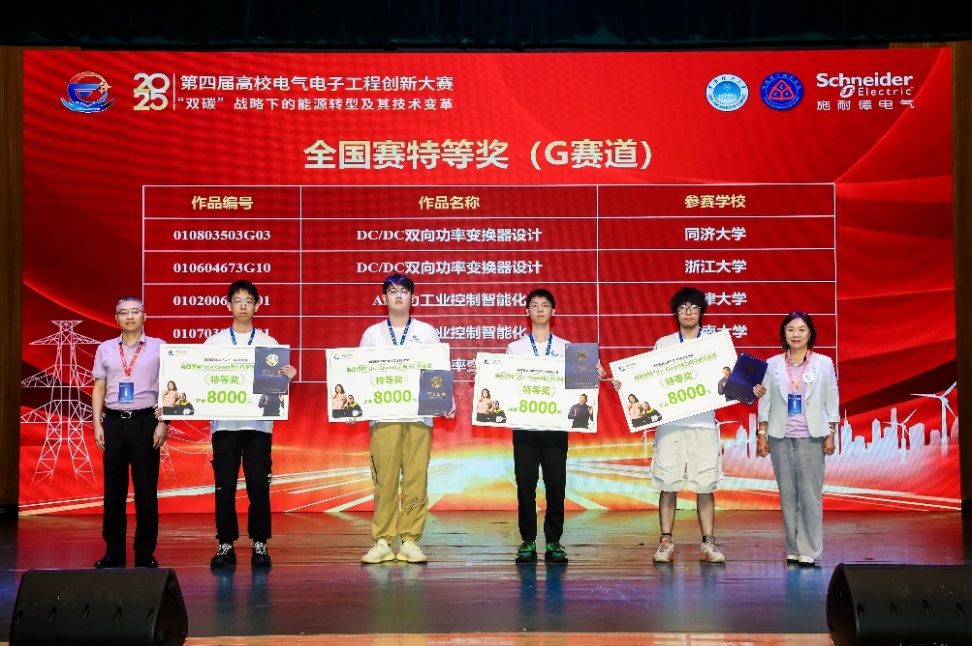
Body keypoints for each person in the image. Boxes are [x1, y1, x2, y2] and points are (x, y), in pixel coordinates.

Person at [612, 287, 764, 564]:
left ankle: (708, 543)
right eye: (683, 308)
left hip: (703, 425)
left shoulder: (715, 345)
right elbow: (647, 383)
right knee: (667, 484)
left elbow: (732, 386)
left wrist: (751, 390)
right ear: (676, 313)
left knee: (705, 486)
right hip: (670, 425)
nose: (688, 312)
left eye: (694, 307)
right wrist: (625, 386)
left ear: (701, 311)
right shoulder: (664, 344)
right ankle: (665, 542)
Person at [359, 273, 454, 564]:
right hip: (383, 416)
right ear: (383, 298)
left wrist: (446, 402)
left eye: (404, 291)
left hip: (418, 416)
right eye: (392, 291)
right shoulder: (372, 334)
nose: (398, 295)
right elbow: (358, 373)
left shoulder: (426, 332)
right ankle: (382, 541)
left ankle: (410, 540)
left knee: (415, 478)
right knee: (384, 480)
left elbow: (439, 371)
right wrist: (353, 407)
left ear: (413, 298)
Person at [504, 288, 604, 564]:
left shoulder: (567, 349)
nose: (539, 309)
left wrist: (594, 374)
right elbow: (505, 383)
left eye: (545, 305)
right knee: (525, 485)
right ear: (527, 311)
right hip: (525, 427)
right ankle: (527, 540)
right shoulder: (515, 348)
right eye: (534, 305)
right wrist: (487, 375)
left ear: (553, 311)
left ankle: (554, 541)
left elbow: (580, 386)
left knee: (556, 484)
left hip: (555, 427)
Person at [207, 280, 296, 569]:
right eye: (238, 300)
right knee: (224, 486)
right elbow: (201, 382)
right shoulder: (214, 343)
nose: (243, 305)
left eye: (248, 301)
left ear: (257, 306)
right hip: (224, 426)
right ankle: (225, 543)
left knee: (258, 486)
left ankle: (260, 543)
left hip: (259, 427)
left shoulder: (269, 345)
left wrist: (287, 379)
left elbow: (277, 392)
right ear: (228, 305)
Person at [756, 311, 839, 567]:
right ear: (784, 333)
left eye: (801, 330)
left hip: (811, 438)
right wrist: (762, 434)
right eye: (791, 329)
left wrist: (831, 433)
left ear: (810, 334)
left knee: (810, 497)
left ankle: (809, 550)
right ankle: (793, 548)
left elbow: (832, 399)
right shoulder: (772, 364)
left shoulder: (823, 363)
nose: (796, 334)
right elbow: (765, 401)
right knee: (788, 496)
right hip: (780, 438)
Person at [91, 296, 167, 569]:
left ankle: (144, 552)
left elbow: (171, 386)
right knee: (114, 491)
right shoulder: (105, 349)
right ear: (116, 319)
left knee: (146, 490)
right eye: (123, 312)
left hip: (146, 421)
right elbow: (99, 388)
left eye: (135, 311)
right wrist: (97, 424)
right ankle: (114, 551)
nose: (130, 316)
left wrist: (164, 422)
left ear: (145, 316)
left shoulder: (159, 347)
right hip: (113, 422)